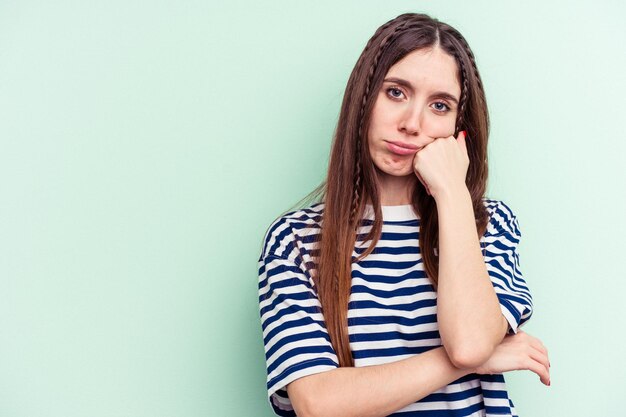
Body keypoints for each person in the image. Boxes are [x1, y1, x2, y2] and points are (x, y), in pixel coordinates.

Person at [257, 12, 550, 417]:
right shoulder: (297, 241)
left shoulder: (486, 224)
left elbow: (468, 340)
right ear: (364, 98)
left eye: (440, 105)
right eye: (396, 92)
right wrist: (463, 362)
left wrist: (451, 191)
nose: (412, 124)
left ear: (458, 129)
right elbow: (319, 404)